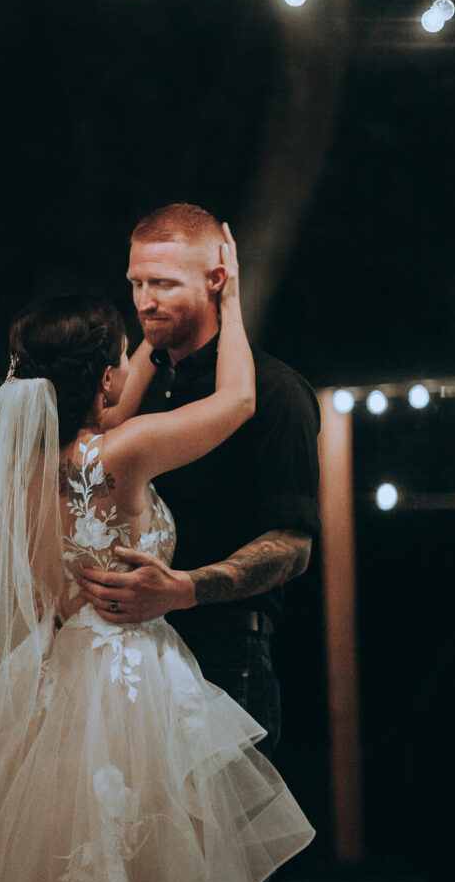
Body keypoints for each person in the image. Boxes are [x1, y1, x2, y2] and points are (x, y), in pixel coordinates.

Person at [0, 227, 314, 882]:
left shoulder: (13, 471)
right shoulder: (121, 454)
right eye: (123, 357)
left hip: (48, 680)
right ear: (104, 378)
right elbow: (238, 402)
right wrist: (236, 298)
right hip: (130, 684)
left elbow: (99, 410)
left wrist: (141, 345)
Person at [77, 203, 321, 761]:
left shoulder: (277, 392)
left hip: (225, 656)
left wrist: (183, 589)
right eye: (136, 282)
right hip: (126, 662)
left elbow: (293, 545)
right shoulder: (133, 393)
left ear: (217, 279)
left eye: (162, 282)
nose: (143, 300)